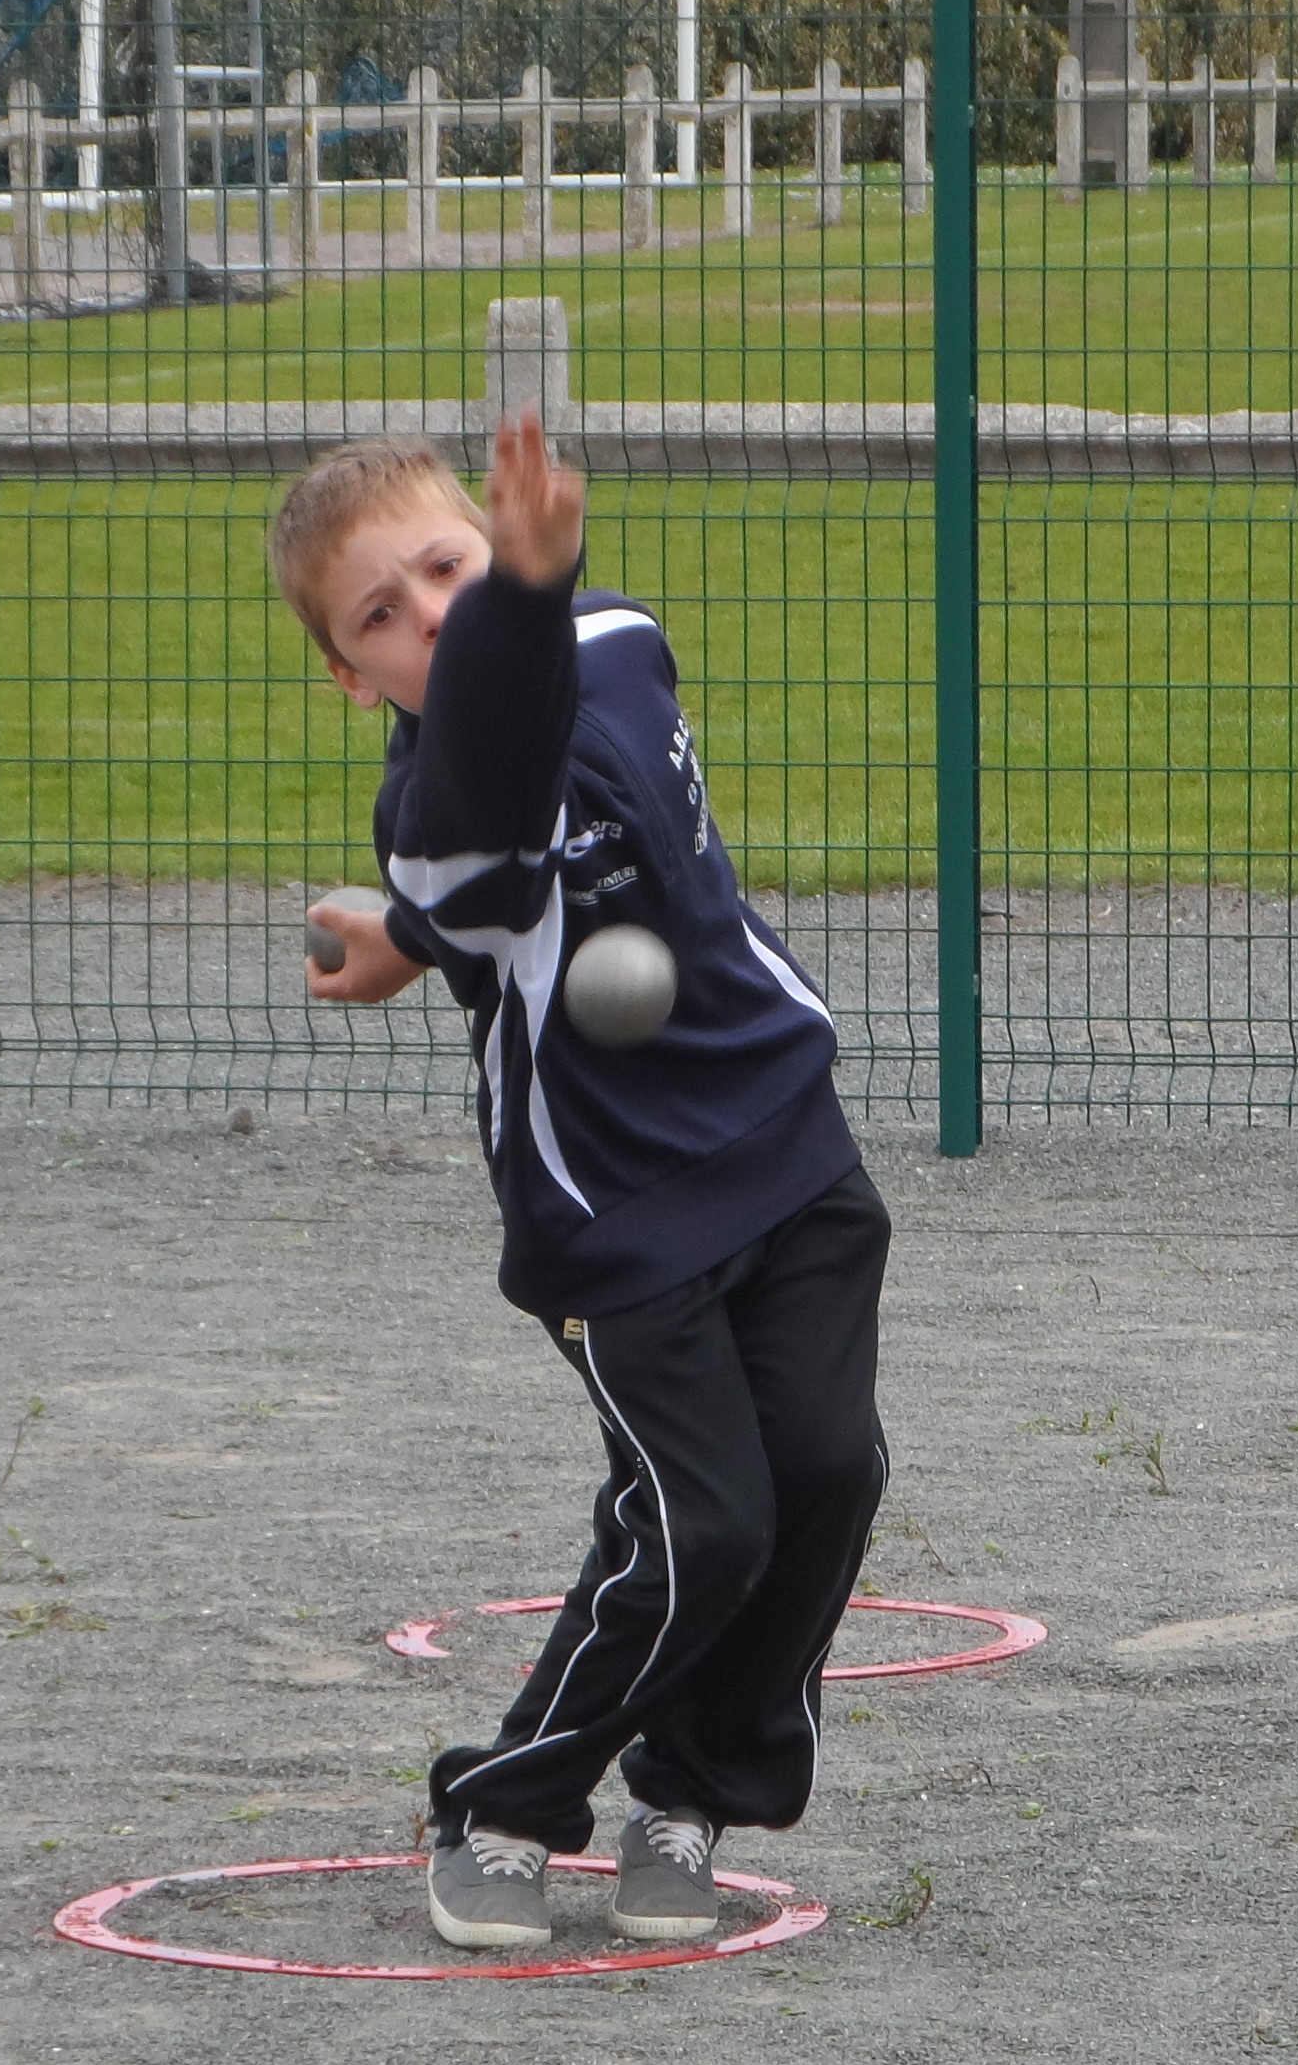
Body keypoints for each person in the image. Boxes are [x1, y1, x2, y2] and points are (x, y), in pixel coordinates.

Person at [274, 420, 893, 1949]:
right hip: (617, 1214)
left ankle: (697, 1788)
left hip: (785, 1137)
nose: (428, 614)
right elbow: (485, 799)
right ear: (355, 682)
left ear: (494, 541)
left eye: (446, 567)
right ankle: (502, 1805)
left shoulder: (622, 641)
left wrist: (413, 950)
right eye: (380, 619)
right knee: (703, 1525)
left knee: (827, 1477)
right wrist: (521, 594)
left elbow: (567, 746)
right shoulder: (430, 807)